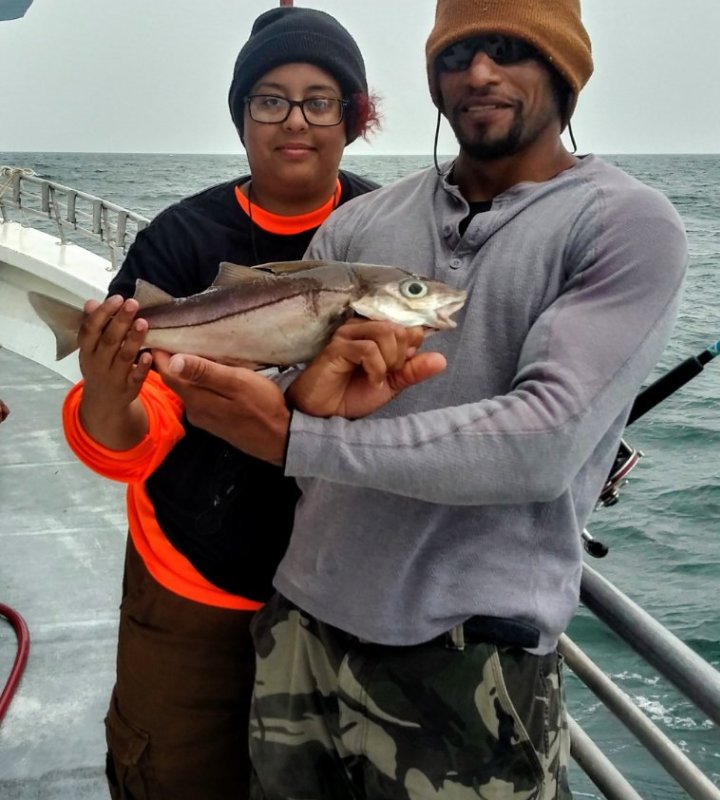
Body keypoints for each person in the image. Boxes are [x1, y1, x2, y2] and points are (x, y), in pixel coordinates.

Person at [158, 0, 690, 797]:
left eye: (511, 49)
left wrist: (298, 440)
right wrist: (300, 399)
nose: (479, 72)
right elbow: (281, 396)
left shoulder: (626, 226)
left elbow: (539, 445)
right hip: (300, 624)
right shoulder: (358, 224)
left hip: (472, 660)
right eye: (458, 53)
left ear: (566, 66)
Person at [61, 7, 387, 799]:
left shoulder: (388, 232)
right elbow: (133, 434)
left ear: (354, 115)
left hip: (349, 598)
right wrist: (106, 393)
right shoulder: (181, 240)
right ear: (242, 116)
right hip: (192, 587)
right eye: (269, 99)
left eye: (320, 100)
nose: (295, 121)